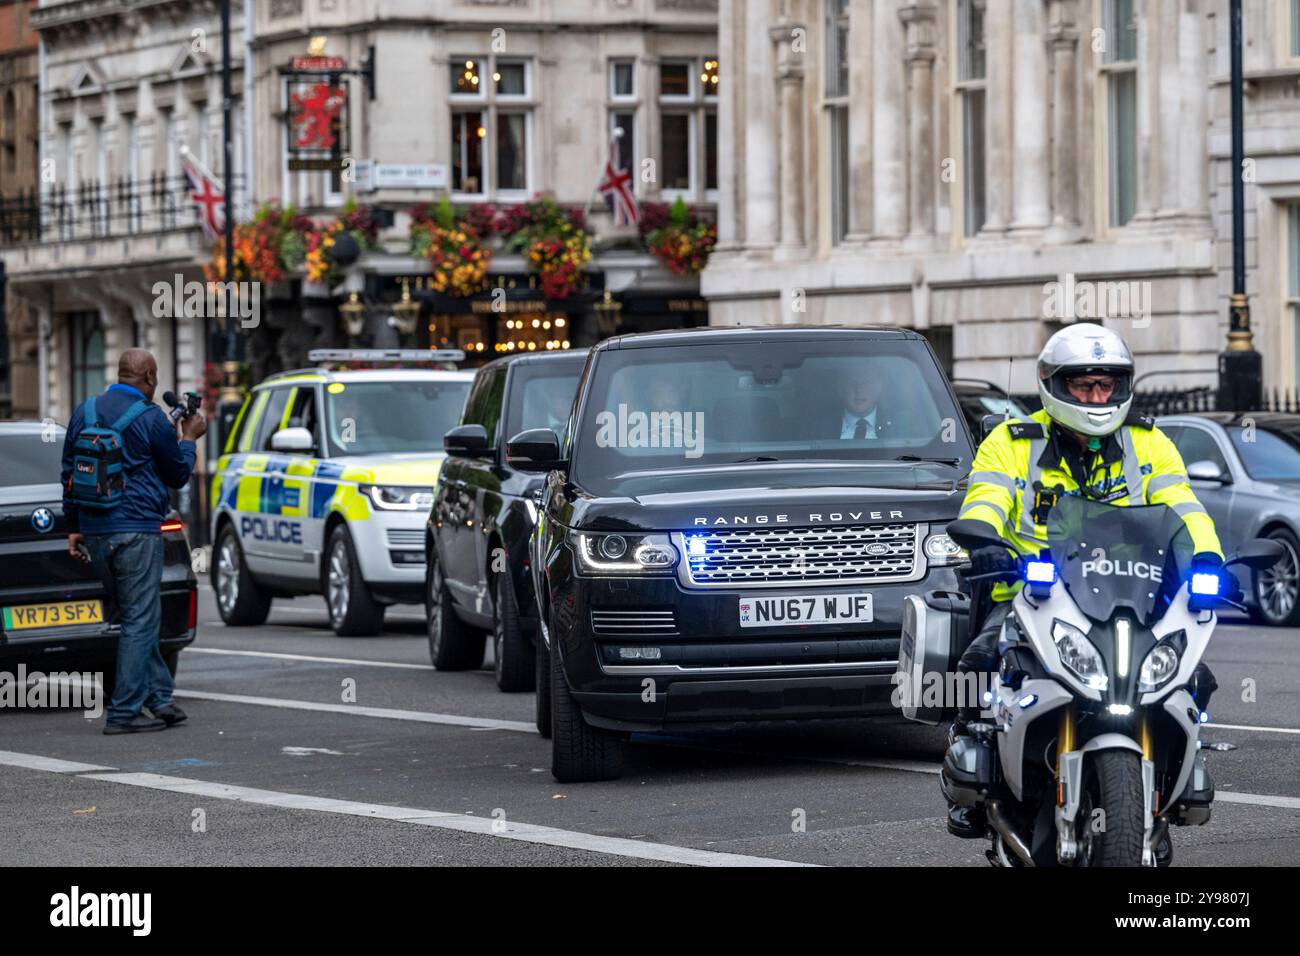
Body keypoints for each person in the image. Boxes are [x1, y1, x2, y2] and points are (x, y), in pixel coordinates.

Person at [947, 323, 1223, 837]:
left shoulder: (1149, 442)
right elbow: (985, 498)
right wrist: (984, 541)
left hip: (1130, 593)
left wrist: (1207, 557)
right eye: (1083, 386)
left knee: (1195, 676)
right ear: (1055, 385)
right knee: (979, 661)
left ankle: (1174, 777)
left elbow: (1184, 507)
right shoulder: (1012, 442)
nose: (1097, 396)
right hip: (1035, 591)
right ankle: (973, 770)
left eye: (1107, 385)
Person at [62, 349, 207, 734]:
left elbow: (69, 472)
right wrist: (189, 438)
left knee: (135, 615)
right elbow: (177, 474)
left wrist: (74, 524)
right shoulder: (150, 418)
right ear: (149, 377)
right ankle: (124, 712)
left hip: (95, 533)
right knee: (141, 620)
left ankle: (161, 699)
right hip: (136, 530)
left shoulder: (85, 411)